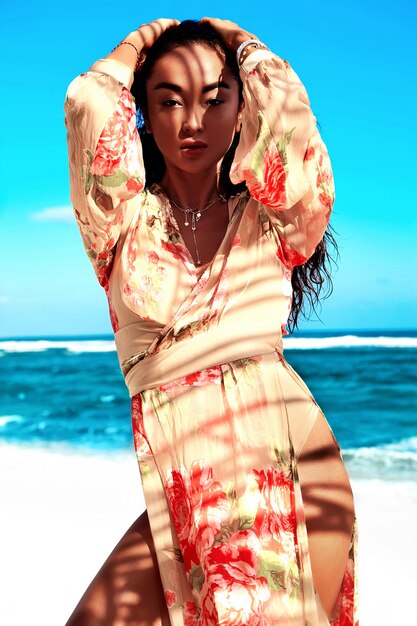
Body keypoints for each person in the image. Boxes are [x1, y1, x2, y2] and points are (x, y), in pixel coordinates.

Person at [64, 17, 358, 626]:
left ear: (240, 106)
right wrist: (142, 41)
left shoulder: (273, 215)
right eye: (167, 100)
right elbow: (88, 104)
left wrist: (240, 41)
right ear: (142, 112)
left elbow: (289, 123)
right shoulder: (119, 221)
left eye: (213, 99)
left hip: (289, 466)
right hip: (185, 488)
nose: (191, 121)